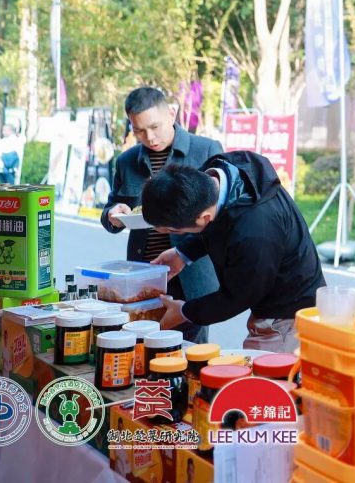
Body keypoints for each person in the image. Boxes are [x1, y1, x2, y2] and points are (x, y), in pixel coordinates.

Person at [142, 150, 326, 353]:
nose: (172, 234)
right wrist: (182, 253)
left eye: (174, 231)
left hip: (287, 315)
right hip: (267, 293)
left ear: (204, 218)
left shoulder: (256, 230)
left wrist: (185, 311)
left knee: (261, 372)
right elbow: (218, 223)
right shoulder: (217, 174)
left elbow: (239, 295)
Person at [101, 87, 223, 342]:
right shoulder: (126, 161)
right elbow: (111, 211)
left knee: (189, 352)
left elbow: (221, 215)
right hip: (143, 276)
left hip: (191, 276)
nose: (150, 137)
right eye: (139, 131)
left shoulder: (206, 150)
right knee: (141, 346)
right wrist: (113, 214)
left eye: (154, 127)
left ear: (171, 113)